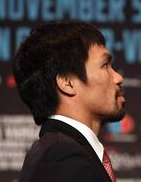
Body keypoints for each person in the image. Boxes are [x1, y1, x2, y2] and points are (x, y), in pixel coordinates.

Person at [13, 21, 125, 182]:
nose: (118, 78)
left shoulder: (59, 150)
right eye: (105, 65)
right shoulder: (63, 157)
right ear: (68, 82)